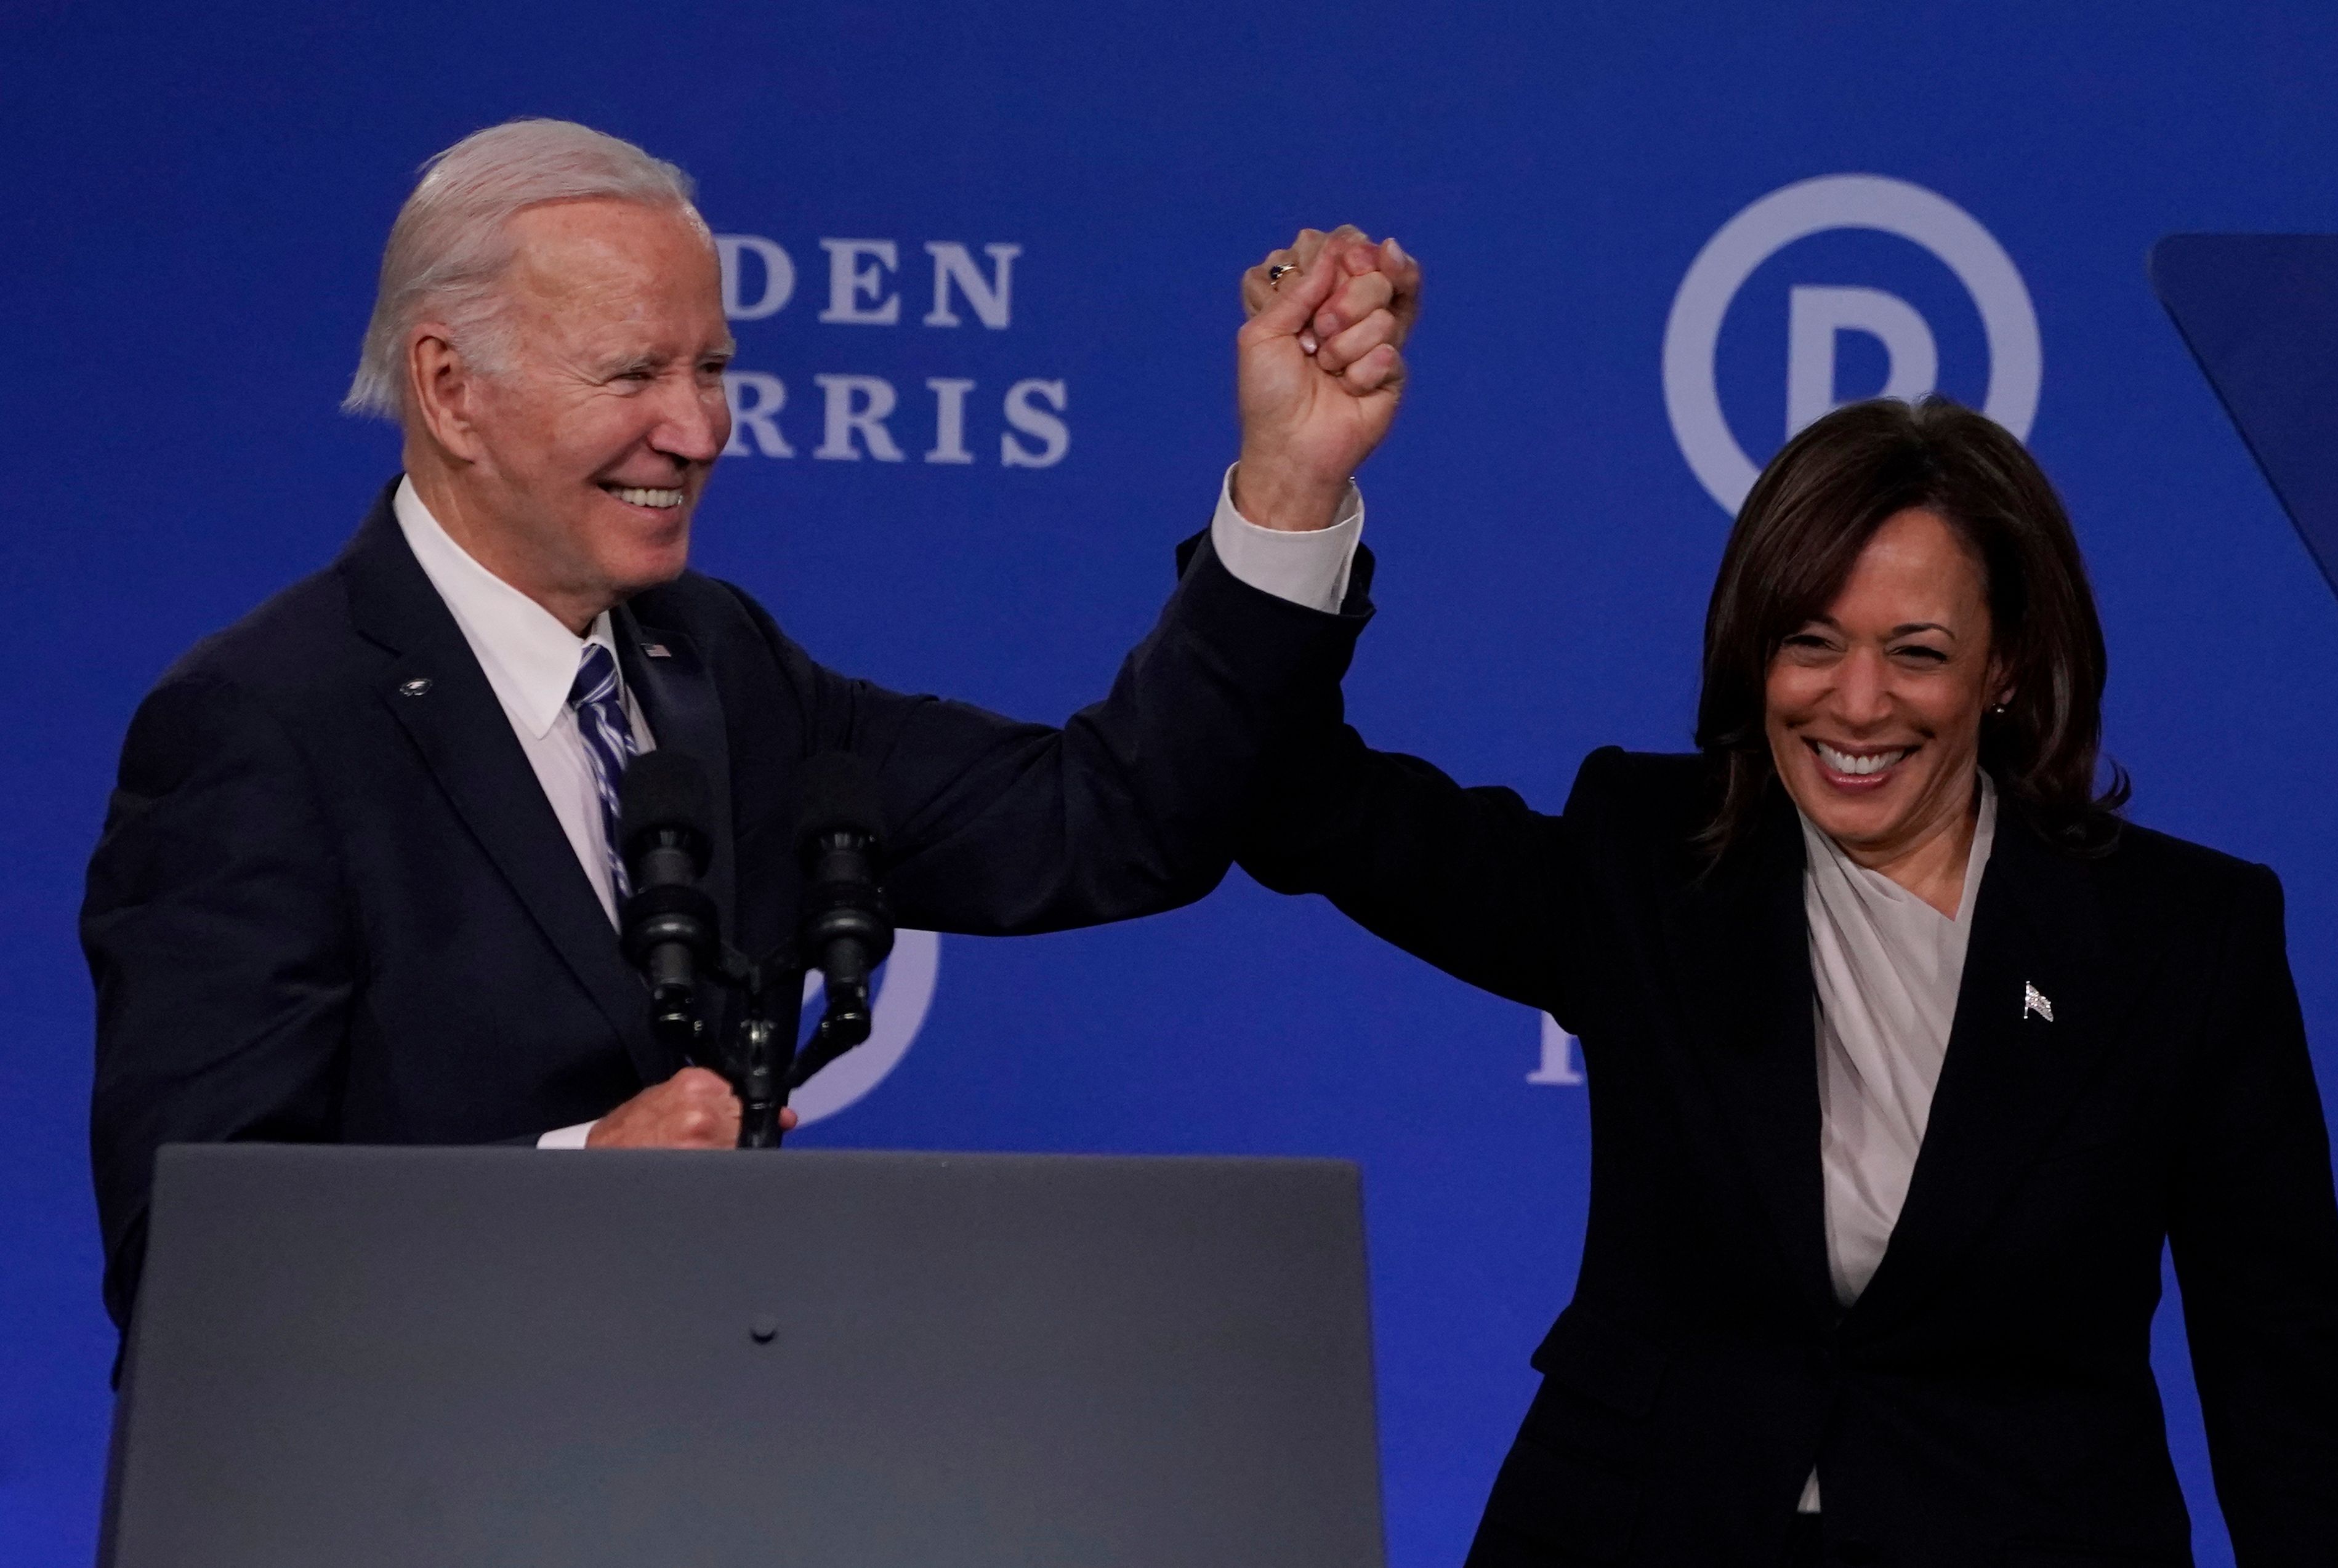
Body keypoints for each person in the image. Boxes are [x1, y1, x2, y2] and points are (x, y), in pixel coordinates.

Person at [81, 118, 1419, 1340]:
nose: (697, 426)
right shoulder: (265, 727)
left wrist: (1290, 486)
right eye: (634, 372)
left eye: (712, 365)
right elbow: (192, 1266)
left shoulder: (720, 665)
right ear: (449, 389)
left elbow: (1110, 820)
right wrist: (565, 1189)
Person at [1235, 396, 2338, 1566]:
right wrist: (1296, 482)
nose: (1856, 703)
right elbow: (1285, 795)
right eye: (1812, 640)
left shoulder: (2182, 939)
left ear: (2008, 663)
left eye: (1917, 651)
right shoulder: (1647, 861)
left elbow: (2284, 1380)